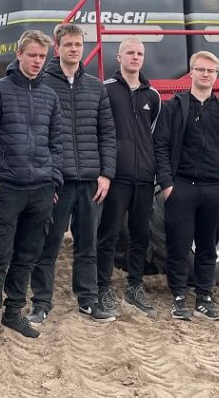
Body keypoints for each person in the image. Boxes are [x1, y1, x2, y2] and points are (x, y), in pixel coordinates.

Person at [0, 29, 63, 349]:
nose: (37, 61)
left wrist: (54, 181)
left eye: (42, 57)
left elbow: (57, 144)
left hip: (41, 190)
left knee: (27, 256)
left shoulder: (50, 96)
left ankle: (13, 312)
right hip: (7, 189)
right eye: (32, 55)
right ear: (19, 55)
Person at [26, 23, 117, 325]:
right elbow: (37, 135)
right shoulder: (42, 84)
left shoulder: (96, 87)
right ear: (57, 47)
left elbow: (107, 133)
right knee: (47, 244)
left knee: (87, 244)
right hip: (58, 181)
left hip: (91, 181)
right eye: (68, 45)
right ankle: (40, 303)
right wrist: (45, 177)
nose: (74, 50)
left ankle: (88, 301)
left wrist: (106, 174)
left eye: (79, 44)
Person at [153, 51, 219, 321]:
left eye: (211, 71)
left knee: (207, 247)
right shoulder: (174, 107)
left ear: (216, 75)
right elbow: (161, 146)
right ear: (191, 72)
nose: (206, 75)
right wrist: (167, 185)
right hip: (182, 187)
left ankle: (205, 298)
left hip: (216, 189)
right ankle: (179, 297)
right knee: (178, 246)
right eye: (201, 70)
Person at [95, 37, 161, 317]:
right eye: (130, 53)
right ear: (118, 57)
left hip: (145, 178)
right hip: (116, 177)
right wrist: (103, 171)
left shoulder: (153, 96)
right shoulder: (105, 90)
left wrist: (154, 171)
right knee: (108, 234)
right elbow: (99, 133)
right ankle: (102, 286)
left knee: (140, 235)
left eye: (140, 53)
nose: (135, 57)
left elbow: (154, 135)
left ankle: (135, 287)